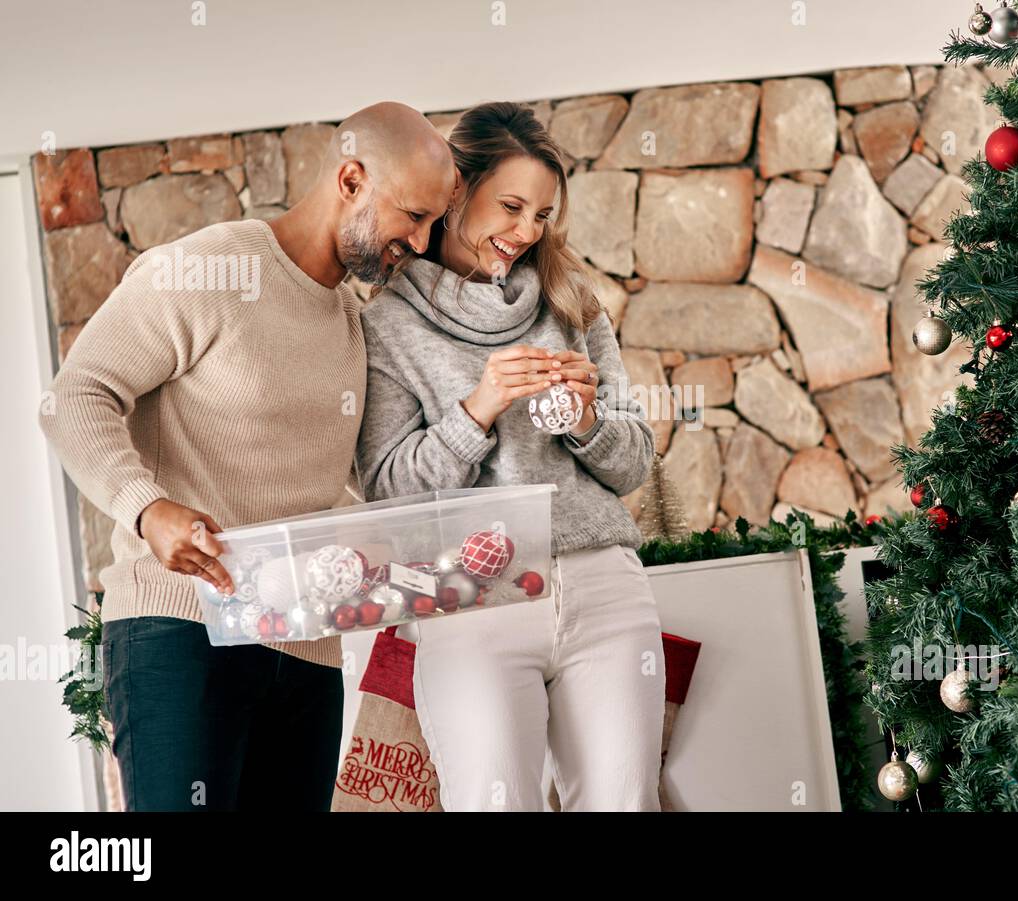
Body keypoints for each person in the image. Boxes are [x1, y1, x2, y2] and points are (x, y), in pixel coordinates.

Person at [39, 101, 457, 811]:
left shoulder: (352, 325)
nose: (418, 242)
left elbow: (349, 485)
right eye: (412, 216)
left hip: (305, 649)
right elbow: (74, 396)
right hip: (180, 631)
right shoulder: (206, 270)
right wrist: (148, 509)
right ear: (351, 179)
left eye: (430, 225)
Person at [355, 101, 666, 811]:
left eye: (543, 215)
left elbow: (633, 463)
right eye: (513, 206)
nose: (526, 231)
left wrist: (588, 422)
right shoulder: (388, 326)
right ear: (456, 190)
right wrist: (478, 410)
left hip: (603, 588)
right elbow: (387, 492)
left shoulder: (570, 301)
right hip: (472, 598)